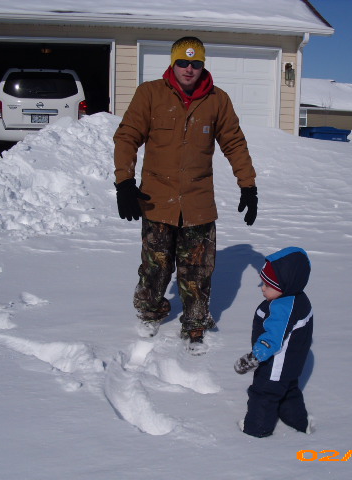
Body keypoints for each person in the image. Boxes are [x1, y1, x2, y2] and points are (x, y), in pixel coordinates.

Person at [113, 36, 257, 355]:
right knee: (156, 267)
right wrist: (124, 182)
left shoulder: (217, 100)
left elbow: (234, 143)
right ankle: (150, 313)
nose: (189, 69)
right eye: (182, 62)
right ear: (172, 63)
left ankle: (195, 323)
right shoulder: (150, 94)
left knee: (197, 270)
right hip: (156, 199)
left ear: (203, 65)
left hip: (197, 202)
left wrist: (248, 185)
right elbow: (127, 137)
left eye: (196, 63)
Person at [234, 246, 313, 437]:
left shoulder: (282, 308)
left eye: (267, 286)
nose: (262, 288)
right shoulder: (297, 298)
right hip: (291, 365)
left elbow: (272, 339)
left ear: (286, 285)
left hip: (275, 364)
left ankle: (256, 430)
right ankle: (298, 423)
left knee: (264, 394)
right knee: (288, 390)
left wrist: (254, 357)